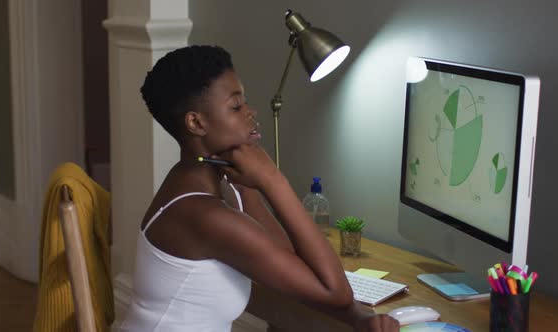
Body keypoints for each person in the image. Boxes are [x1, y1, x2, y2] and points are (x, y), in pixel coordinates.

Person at [118, 45, 399, 332]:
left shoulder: (217, 184)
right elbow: (335, 293)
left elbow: (297, 266)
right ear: (196, 122)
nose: (251, 112)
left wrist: (359, 317)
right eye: (236, 106)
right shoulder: (205, 216)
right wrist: (273, 180)